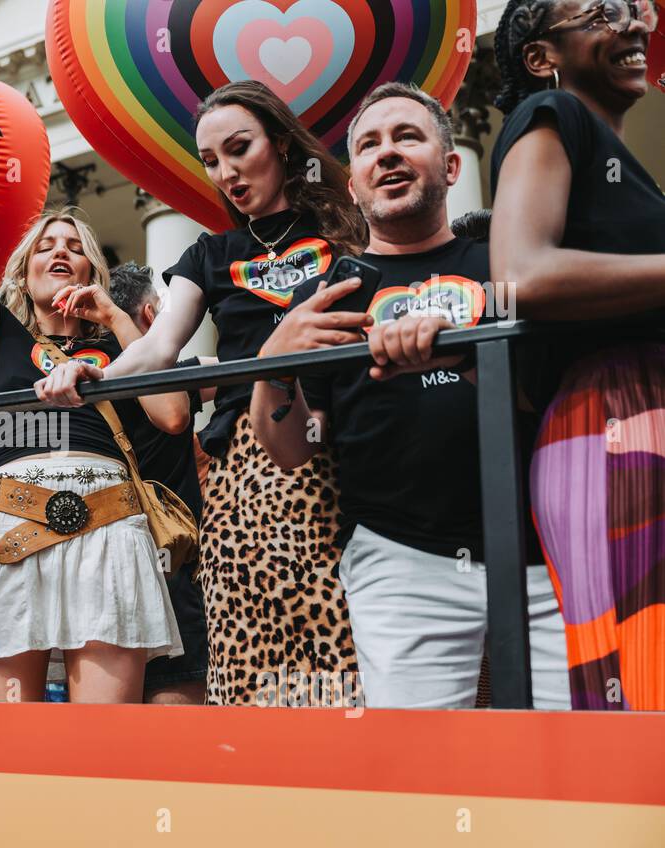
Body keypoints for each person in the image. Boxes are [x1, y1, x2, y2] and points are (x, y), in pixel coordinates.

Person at [39, 80, 366, 706]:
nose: (226, 173)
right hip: (249, 463)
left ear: (280, 141)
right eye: (211, 161)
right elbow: (159, 348)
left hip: (347, 446)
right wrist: (99, 374)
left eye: (239, 149)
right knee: (249, 658)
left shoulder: (346, 226)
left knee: (343, 659)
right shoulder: (210, 253)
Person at [250, 83, 570, 709]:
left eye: (407, 137)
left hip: (547, 553)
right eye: (369, 145)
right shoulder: (329, 293)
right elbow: (290, 451)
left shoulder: (507, 265)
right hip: (402, 560)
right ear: (354, 185)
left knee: (574, 759)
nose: (386, 153)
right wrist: (273, 363)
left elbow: (553, 398)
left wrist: (469, 358)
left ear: (452, 166)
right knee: (420, 769)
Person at [0, 39, 187, 704]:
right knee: (5, 747)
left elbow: (172, 416)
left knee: (103, 747)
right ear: (24, 270)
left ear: (93, 270)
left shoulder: (122, 344)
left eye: (75, 247)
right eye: (46, 244)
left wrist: (118, 318)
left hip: (110, 528)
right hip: (8, 523)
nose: (61, 251)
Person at [490, 0, 665, 710]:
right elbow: (519, 277)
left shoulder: (622, 163)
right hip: (614, 415)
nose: (630, 26)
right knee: (643, 681)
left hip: (637, 407)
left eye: (632, 11)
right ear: (542, 58)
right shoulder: (551, 118)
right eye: (599, 13)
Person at [108, 263, 209, 705]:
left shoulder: (85, 386)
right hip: (172, 569)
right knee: (177, 730)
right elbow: (250, 369)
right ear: (151, 316)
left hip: (104, 568)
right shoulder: (176, 380)